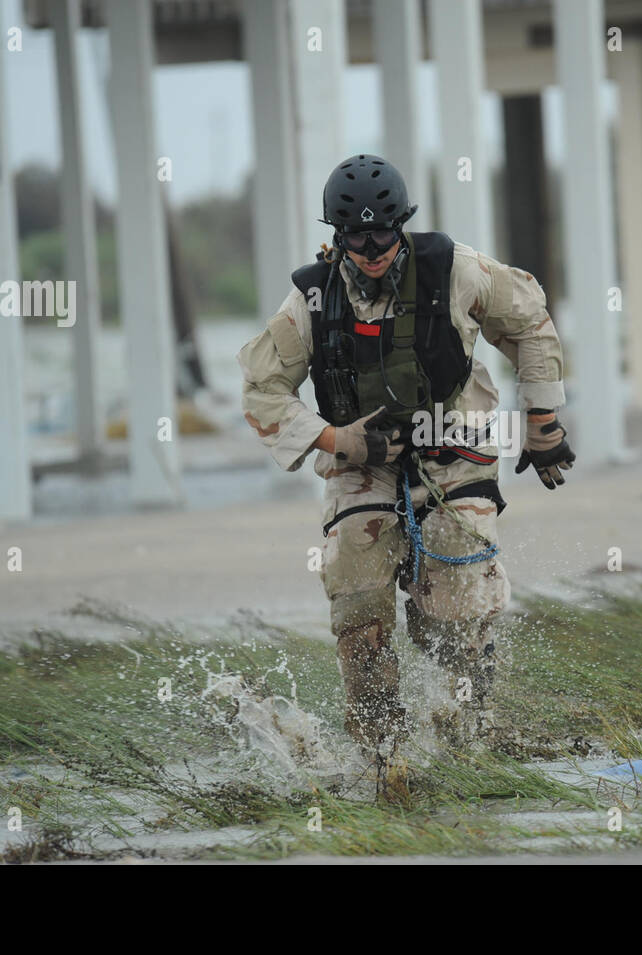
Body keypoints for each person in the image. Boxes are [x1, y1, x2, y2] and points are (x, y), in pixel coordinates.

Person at [237, 154, 574, 787]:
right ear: (337, 235)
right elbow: (261, 393)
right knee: (357, 599)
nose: (371, 250)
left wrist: (544, 423)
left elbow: (529, 320)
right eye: (356, 237)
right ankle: (382, 755)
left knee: (454, 587)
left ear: (402, 225)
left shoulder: (457, 270)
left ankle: (470, 720)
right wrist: (340, 438)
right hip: (360, 457)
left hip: (453, 442)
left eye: (383, 234)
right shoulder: (311, 299)